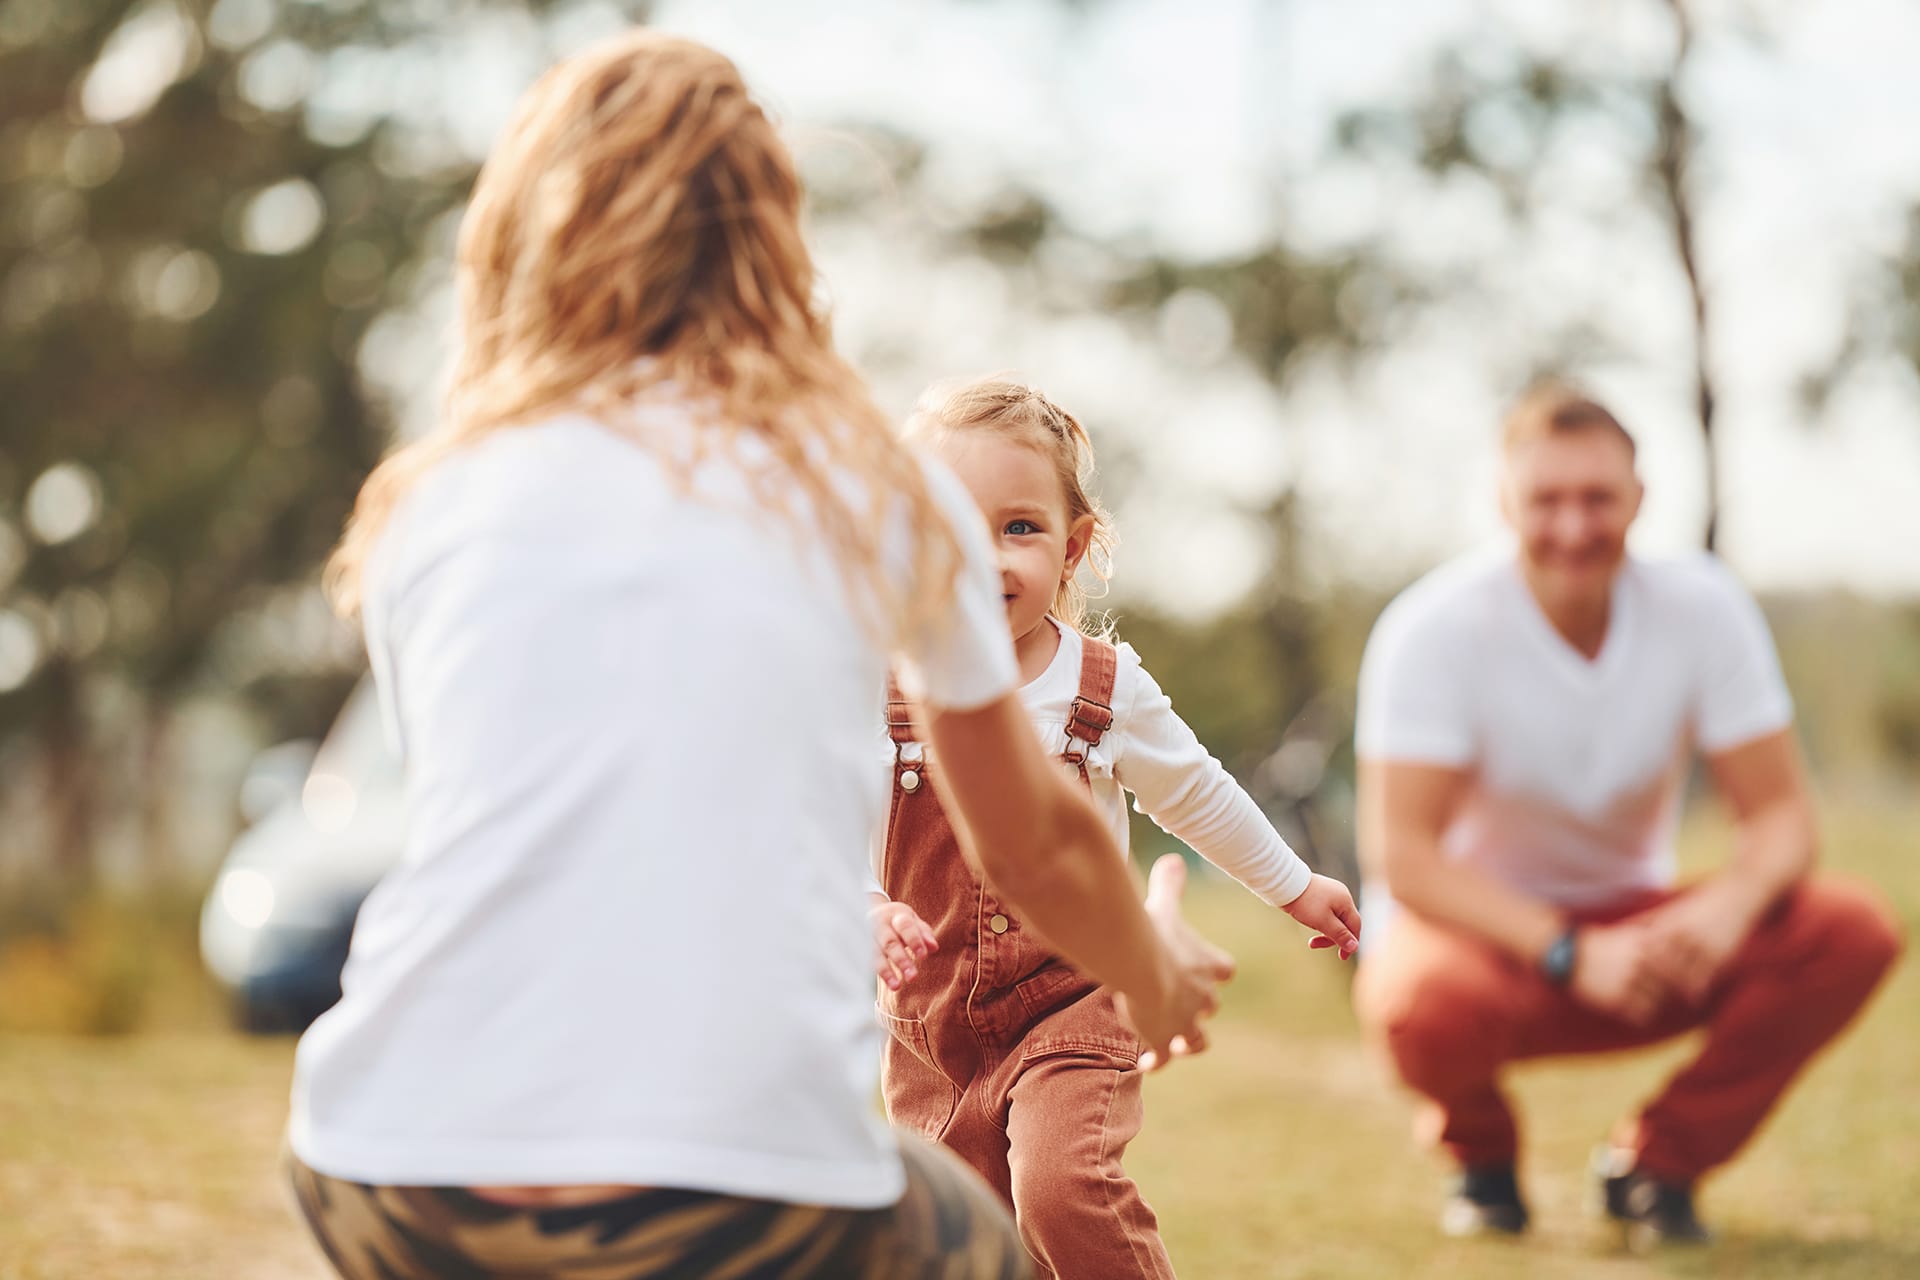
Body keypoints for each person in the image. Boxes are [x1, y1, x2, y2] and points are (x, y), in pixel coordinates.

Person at [283, 31, 1235, 1279]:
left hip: (380, 1166)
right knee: (983, 1250)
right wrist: (1151, 970)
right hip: (740, 1196)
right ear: (774, 239)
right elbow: (1039, 843)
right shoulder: (867, 484)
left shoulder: (430, 496)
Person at [1351, 382, 1903, 1245]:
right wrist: (1569, 952)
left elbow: (1785, 817)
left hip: (1644, 933)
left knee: (1851, 930)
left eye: (1597, 498)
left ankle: (1657, 1164)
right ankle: (1482, 1159)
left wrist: (1725, 912)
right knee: (1423, 1002)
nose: (1574, 527)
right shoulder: (1431, 630)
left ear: (1639, 499)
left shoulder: (1702, 608)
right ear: (1505, 502)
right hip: (1485, 944)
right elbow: (1404, 859)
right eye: (1547, 500)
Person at [869, 378, 1362, 1279]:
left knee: (1061, 1189)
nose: (987, 558)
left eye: (1020, 527)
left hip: (1073, 1002)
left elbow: (1196, 793)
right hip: (930, 1031)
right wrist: (860, 903)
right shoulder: (876, 684)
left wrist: (1295, 885)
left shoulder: (1102, 687)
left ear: (1074, 546)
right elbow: (819, 821)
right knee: (957, 1240)